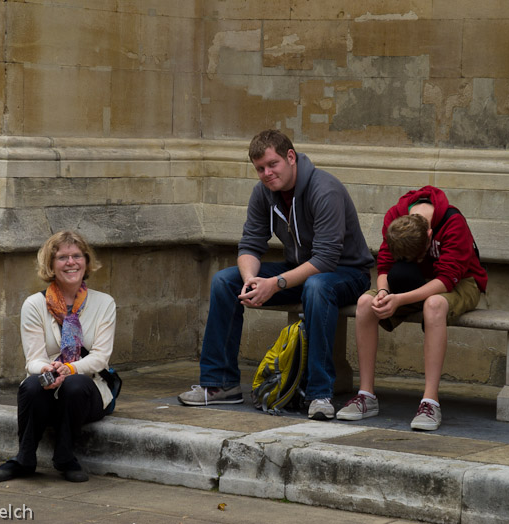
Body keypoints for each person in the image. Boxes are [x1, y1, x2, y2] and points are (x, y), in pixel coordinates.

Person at [177, 129, 374, 420]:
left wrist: (276, 283)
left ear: (290, 158)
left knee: (317, 287)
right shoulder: (263, 193)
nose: (267, 173)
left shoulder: (324, 189)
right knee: (224, 281)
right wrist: (250, 281)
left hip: (345, 273)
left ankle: (319, 393)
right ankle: (221, 384)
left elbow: (325, 259)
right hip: (300, 271)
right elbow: (249, 246)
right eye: (260, 169)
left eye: (272, 165)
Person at [336, 186, 487, 430]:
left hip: (463, 282)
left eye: (420, 256)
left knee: (434, 304)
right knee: (366, 302)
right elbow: (384, 266)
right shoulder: (394, 218)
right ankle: (366, 396)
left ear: (429, 235)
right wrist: (385, 293)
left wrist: (400, 300)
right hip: (411, 282)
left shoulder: (453, 223)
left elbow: (447, 280)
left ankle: (430, 402)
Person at [0, 231, 117, 483]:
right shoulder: (34, 305)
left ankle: (65, 457)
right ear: (50, 264)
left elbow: (100, 358)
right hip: (48, 387)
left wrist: (68, 368)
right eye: (62, 257)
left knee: (75, 383)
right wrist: (49, 368)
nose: (71, 262)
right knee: (33, 385)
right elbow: (32, 360)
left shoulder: (104, 303)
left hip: (86, 391)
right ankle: (24, 459)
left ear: (86, 262)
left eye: (77, 256)